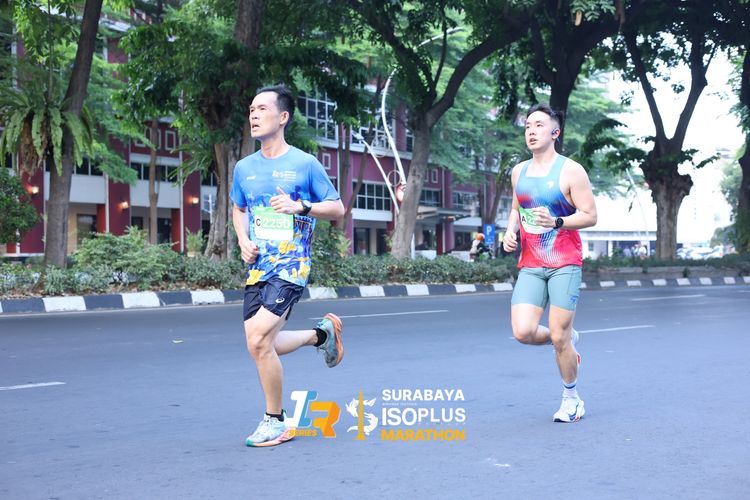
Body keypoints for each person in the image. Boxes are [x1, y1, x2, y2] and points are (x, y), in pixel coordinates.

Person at [230, 84, 346, 447]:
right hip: (258, 265)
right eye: (251, 109)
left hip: (291, 266)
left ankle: (275, 420)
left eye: (262, 109)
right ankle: (320, 335)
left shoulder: (304, 164)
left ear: (283, 117)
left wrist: (302, 207)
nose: (254, 115)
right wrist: (243, 239)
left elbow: (337, 208)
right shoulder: (244, 168)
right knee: (259, 345)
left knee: (258, 340)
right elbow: (238, 208)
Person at [502, 103, 597, 423]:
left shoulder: (571, 171)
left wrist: (557, 221)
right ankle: (567, 338)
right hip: (531, 263)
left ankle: (572, 399)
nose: (531, 131)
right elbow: (516, 208)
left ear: (555, 132)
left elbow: (590, 216)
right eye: (528, 126)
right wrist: (510, 231)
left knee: (558, 337)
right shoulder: (519, 171)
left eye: (539, 125)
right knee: (523, 332)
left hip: (564, 263)